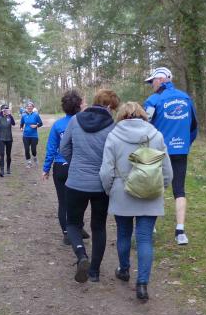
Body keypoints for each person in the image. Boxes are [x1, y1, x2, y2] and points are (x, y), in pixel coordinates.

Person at [100, 102, 172, 301]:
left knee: (123, 234)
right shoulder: (156, 135)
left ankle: (124, 270)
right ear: (143, 115)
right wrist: (161, 187)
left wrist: (110, 190)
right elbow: (167, 170)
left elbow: (106, 171)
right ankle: (142, 284)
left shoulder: (113, 136)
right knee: (144, 238)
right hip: (151, 194)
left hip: (122, 193)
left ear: (121, 116)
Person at [59, 89, 120, 283]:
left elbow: (64, 148)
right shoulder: (113, 126)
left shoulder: (75, 120)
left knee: (72, 223)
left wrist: (75, 164)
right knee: (99, 227)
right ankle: (94, 272)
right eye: (113, 108)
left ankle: (81, 255)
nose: (113, 111)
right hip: (101, 185)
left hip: (76, 182)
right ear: (109, 106)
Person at [142, 67, 198, 245]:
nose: (151, 85)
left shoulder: (153, 100)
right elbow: (194, 126)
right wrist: (185, 144)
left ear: (161, 80)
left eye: (152, 81)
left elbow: (144, 125)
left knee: (155, 186)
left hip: (158, 150)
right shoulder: (186, 98)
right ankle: (180, 231)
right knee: (179, 189)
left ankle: (151, 226)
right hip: (180, 150)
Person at [42, 90, 85, 245]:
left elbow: (51, 148)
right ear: (79, 105)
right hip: (79, 166)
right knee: (79, 201)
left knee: (63, 202)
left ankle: (67, 233)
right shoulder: (84, 123)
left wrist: (46, 168)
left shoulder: (58, 125)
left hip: (60, 166)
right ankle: (77, 227)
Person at [20, 101, 43, 168]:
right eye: (28, 106)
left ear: (33, 107)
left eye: (31, 106)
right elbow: (21, 124)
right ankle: (29, 162)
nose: (29, 107)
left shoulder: (36, 115)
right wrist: (21, 128)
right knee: (27, 149)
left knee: (33, 150)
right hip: (26, 135)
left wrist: (36, 126)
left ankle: (35, 157)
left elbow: (41, 123)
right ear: (26, 107)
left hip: (34, 135)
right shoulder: (24, 115)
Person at [0, 104, 16, 177]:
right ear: (2, 110)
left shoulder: (9, 117)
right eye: (4, 110)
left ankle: (8, 168)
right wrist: (0, 113)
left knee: (8, 154)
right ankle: (2, 171)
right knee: (2, 154)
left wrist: (9, 114)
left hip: (9, 138)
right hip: (1, 138)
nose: (5, 111)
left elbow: (13, 123)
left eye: (6, 109)